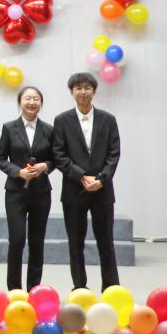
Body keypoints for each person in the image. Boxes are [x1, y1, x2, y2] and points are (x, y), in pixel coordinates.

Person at [52, 72, 121, 291]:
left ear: (94, 91)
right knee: (75, 242)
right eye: (78, 88)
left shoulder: (108, 119)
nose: (83, 91)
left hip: (103, 189)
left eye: (87, 87)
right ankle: (80, 287)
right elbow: (59, 155)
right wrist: (81, 175)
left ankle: (111, 287)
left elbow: (114, 153)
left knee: (106, 242)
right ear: (71, 92)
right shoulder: (62, 120)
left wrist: (102, 179)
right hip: (74, 190)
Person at [0, 85, 55, 291]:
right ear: (20, 102)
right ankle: (14, 289)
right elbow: (0, 159)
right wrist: (18, 172)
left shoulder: (49, 130)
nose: (31, 102)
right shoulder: (9, 128)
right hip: (15, 192)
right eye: (27, 98)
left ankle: (34, 289)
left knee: (37, 242)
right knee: (17, 239)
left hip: (41, 192)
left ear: (41, 103)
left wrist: (44, 166)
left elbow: (56, 158)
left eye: (36, 99)